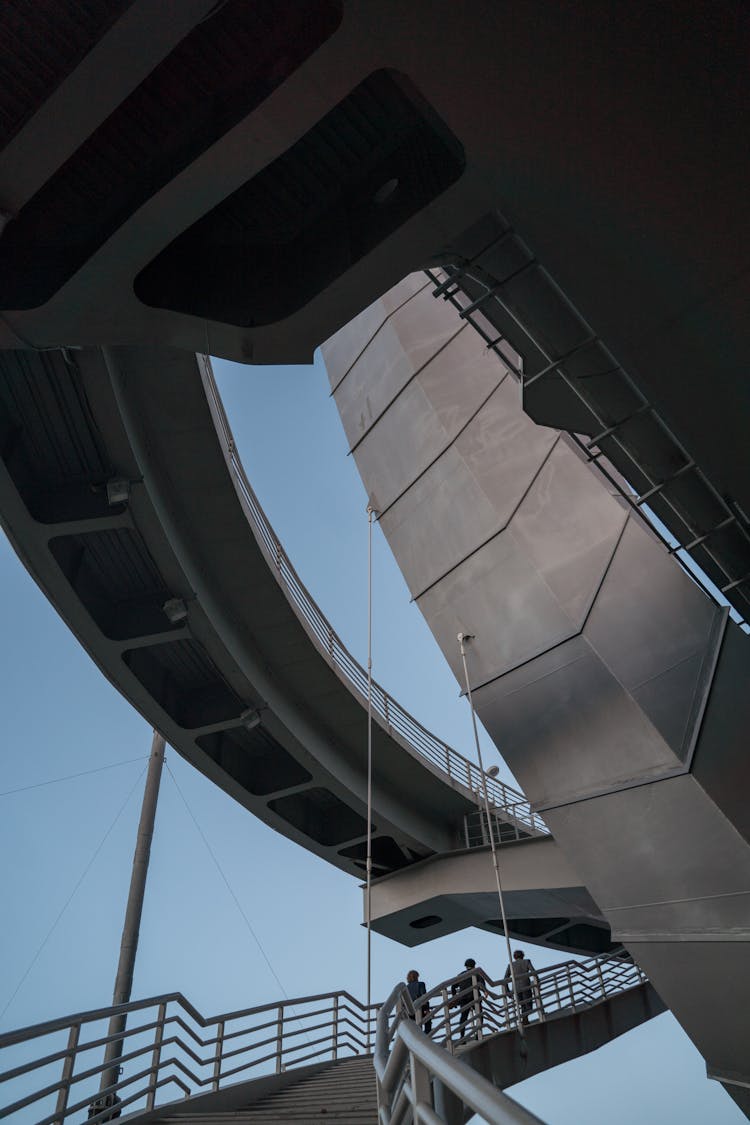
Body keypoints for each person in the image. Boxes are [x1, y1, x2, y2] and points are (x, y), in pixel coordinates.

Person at [451, 958, 489, 1039]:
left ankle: (462, 1036)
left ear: (466, 966)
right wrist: (485, 991)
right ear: (474, 965)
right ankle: (478, 1034)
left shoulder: (461, 975)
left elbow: (453, 986)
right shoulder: (476, 973)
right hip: (475, 998)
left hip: (463, 999)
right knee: (479, 1015)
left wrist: (454, 997)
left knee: (463, 1018)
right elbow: (481, 983)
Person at [504, 949, 536, 1024]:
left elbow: (505, 978)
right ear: (523, 955)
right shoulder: (527, 961)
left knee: (522, 1004)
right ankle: (525, 1019)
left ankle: (525, 1019)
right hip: (526, 986)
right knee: (528, 1004)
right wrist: (538, 983)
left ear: (514, 957)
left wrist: (507, 991)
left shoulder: (511, 965)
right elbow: (534, 972)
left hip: (516, 988)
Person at [406, 969, 431, 1033]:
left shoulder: (405, 988)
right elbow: (424, 997)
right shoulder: (421, 984)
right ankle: (426, 1037)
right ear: (416, 977)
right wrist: (427, 1009)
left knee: (414, 1029)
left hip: (409, 1012)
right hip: (420, 1009)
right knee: (428, 1020)